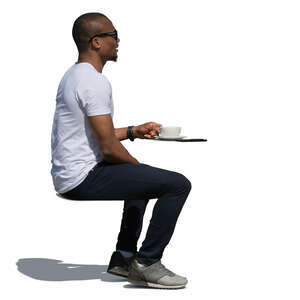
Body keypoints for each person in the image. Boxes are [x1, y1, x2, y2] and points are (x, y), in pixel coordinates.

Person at [50, 12, 192, 289]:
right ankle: (148, 263)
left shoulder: (74, 75)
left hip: (71, 173)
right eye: (113, 35)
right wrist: (138, 166)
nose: (118, 41)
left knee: (140, 181)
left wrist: (132, 131)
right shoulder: (93, 81)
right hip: (81, 177)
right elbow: (107, 147)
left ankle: (123, 258)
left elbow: (92, 135)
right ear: (96, 43)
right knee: (177, 184)